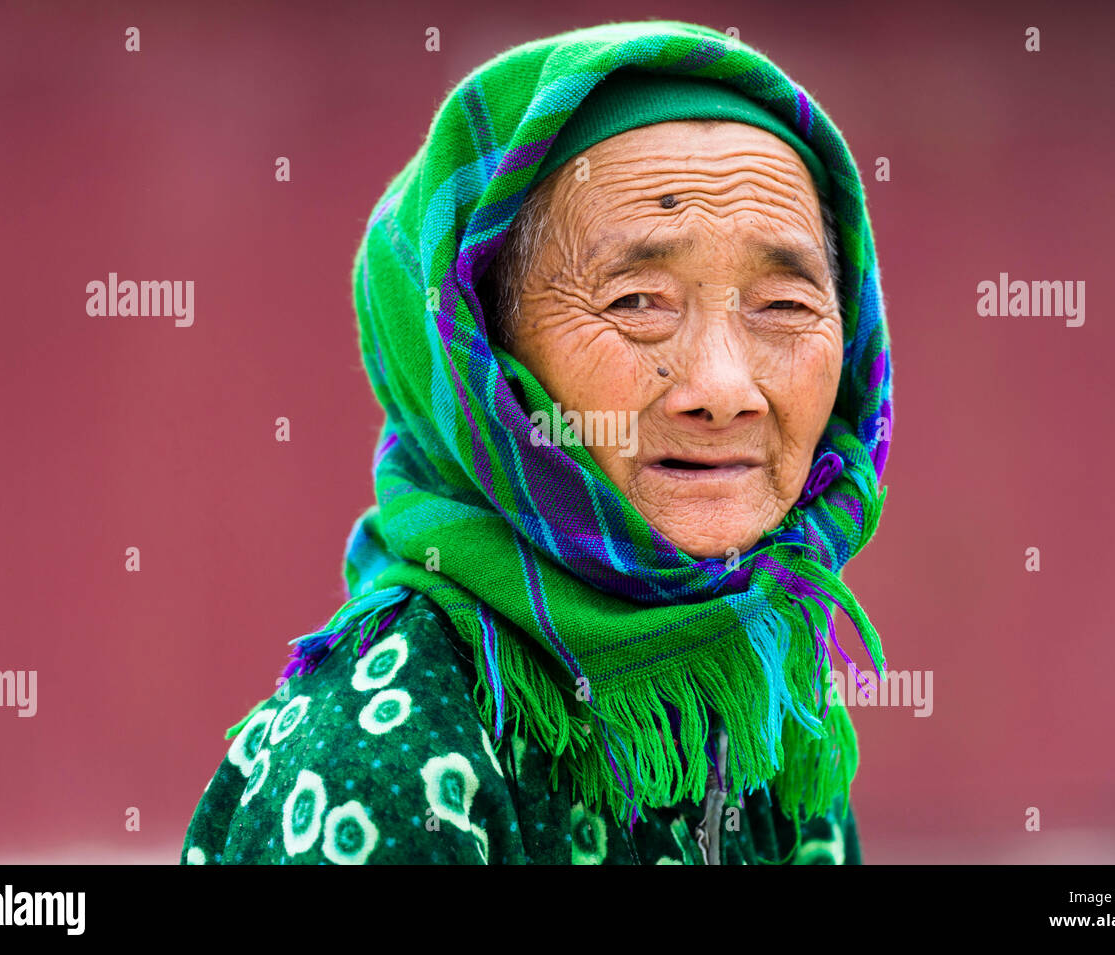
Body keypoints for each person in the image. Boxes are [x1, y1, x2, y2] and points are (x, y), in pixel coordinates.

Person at [181, 18, 893, 866]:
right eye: (636, 303)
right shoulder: (383, 761)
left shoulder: (765, 684)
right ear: (488, 361)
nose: (724, 391)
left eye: (783, 306)